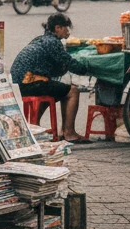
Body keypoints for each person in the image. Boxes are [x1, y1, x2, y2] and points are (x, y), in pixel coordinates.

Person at [10, 14, 90, 143]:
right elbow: (70, 63)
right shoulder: (52, 42)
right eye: (66, 28)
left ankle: (37, 126)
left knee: (58, 90)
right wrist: (87, 69)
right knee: (73, 91)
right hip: (31, 83)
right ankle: (69, 133)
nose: (68, 31)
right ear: (58, 28)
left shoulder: (40, 39)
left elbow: (56, 67)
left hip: (20, 83)